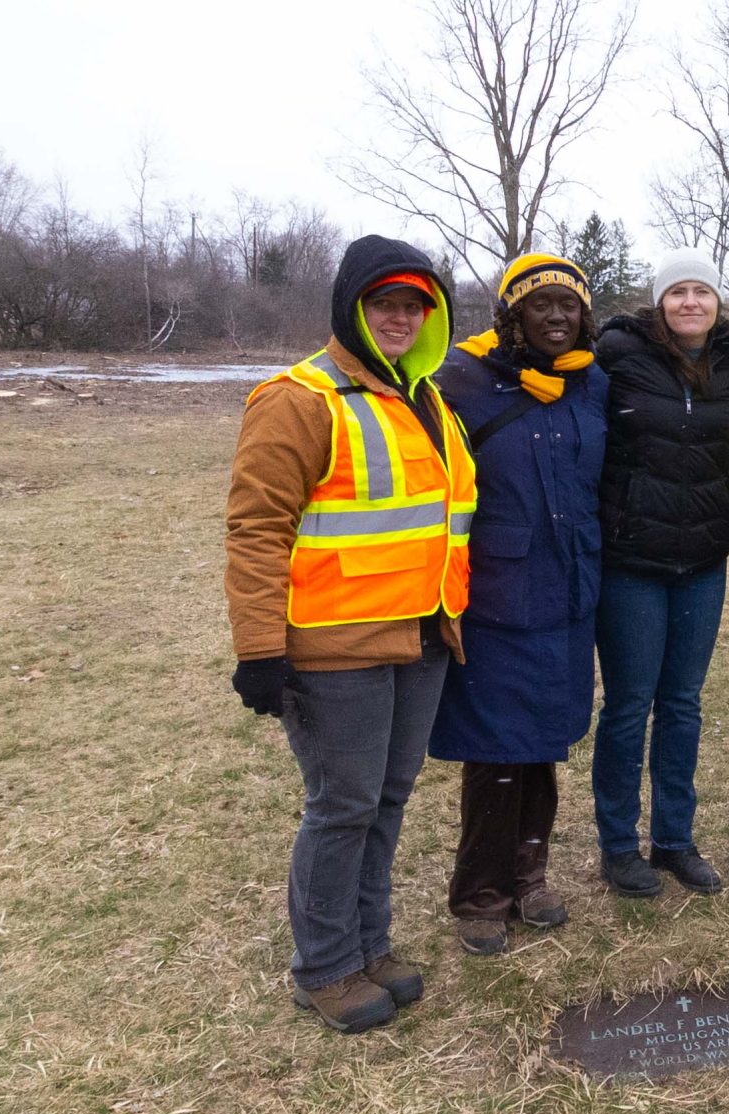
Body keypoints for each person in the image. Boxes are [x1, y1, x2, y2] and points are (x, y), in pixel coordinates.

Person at [225, 235, 476, 1033]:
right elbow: (257, 529)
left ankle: (369, 946)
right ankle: (326, 967)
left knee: (387, 799)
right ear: (351, 308)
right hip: (335, 647)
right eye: (383, 303)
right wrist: (259, 650)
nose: (400, 318)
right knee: (343, 805)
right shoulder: (299, 399)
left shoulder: (427, 398)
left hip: (422, 636)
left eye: (414, 305)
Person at [428, 255, 607, 955]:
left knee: (543, 743)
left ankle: (530, 877)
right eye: (540, 305)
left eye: (569, 305)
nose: (557, 316)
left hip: (569, 589)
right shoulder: (461, 381)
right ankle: (481, 895)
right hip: (497, 594)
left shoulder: (592, 382)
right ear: (512, 315)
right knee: (496, 747)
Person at [590, 252, 729, 896]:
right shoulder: (617, 354)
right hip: (632, 561)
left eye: (701, 291)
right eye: (677, 291)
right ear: (659, 301)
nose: (690, 302)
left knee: (683, 704)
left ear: (717, 301)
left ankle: (675, 839)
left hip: (702, 560)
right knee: (630, 706)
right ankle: (618, 844)